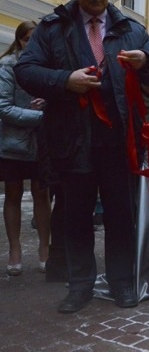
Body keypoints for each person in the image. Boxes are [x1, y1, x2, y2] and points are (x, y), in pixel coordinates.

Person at [14, 0, 149, 313]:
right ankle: (80, 285)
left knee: (121, 216)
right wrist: (64, 80)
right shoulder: (53, 28)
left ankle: (122, 282)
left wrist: (146, 61)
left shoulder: (131, 29)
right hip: (72, 140)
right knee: (76, 217)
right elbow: (26, 70)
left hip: (119, 142)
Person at [0, 20, 51, 276]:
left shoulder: (47, 65)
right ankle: (15, 250)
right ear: (19, 40)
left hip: (42, 143)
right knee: (13, 194)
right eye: (26, 38)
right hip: (13, 142)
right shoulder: (8, 65)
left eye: (35, 38)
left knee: (42, 194)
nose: (31, 43)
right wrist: (40, 116)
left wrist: (49, 104)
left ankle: (44, 248)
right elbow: (3, 107)